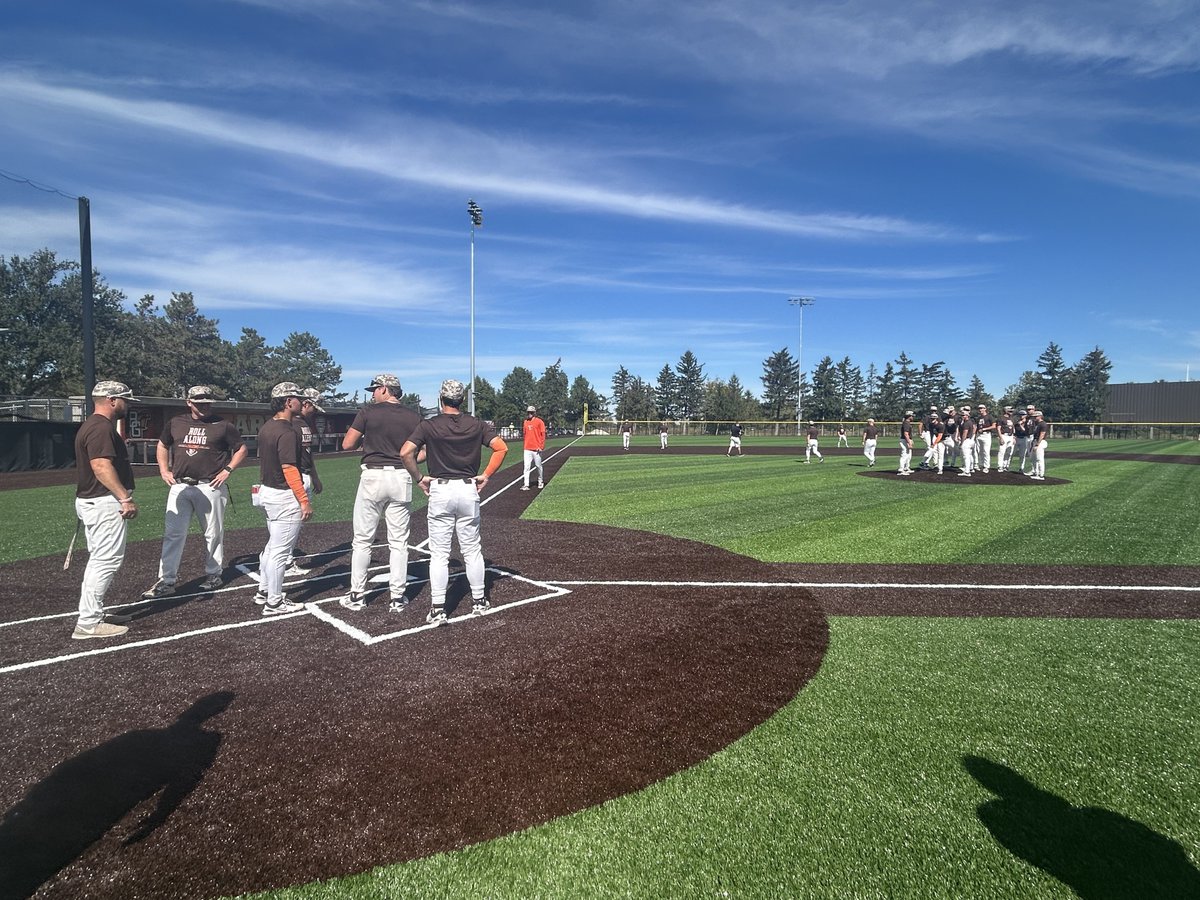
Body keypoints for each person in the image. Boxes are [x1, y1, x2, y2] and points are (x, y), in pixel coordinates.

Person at [401, 379, 508, 624]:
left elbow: (405, 453)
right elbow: (501, 448)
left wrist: (419, 479)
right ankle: (479, 600)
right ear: (461, 400)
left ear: (441, 399)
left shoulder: (429, 425)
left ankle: (438, 608)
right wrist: (486, 475)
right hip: (468, 489)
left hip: (441, 489)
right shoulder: (476, 424)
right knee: (472, 549)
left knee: (439, 554)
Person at [141, 385, 247, 599]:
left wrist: (227, 470)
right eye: (199, 403)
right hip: (180, 485)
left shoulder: (223, 425)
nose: (204, 406)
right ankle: (166, 580)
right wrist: (163, 470)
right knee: (173, 534)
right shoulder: (176, 422)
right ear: (189, 402)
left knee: (213, 533)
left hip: (210, 485)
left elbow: (241, 448)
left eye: (207, 402)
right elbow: (162, 445)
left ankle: (214, 574)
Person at [341, 373, 422, 613]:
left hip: (373, 476)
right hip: (401, 476)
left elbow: (347, 444)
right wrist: (407, 461)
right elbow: (424, 451)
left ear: (385, 388)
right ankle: (397, 597)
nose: (373, 394)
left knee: (362, 540)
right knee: (399, 542)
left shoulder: (368, 412)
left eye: (375, 389)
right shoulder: (413, 416)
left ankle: (357, 594)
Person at [71, 381, 140, 639]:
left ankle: (93, 614)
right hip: (103, 502)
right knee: (105, 561)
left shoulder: (94, 425)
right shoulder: (101, 428)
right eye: (125, 400)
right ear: (112, 400)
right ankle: (89, 622)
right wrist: (124, 497)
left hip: (94, 502)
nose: (127, 404)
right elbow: (101, 466)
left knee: (99, 560)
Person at [255, 382, 313, 615]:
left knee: (271, 547)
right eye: (297, 398)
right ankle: (274, 602)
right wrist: (304, 500)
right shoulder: (287, 431)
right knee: (279, 552)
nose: (301, 401)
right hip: (283, 495)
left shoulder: (267, 427)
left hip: (267, 491)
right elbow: (289, 468)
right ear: (288, 402)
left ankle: (264, 591)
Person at [283, 387, 326, 576]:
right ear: (306, 403)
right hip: (296, 477)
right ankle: (285, 562)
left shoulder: (304, 424)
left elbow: (308, 453)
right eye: (313, 408)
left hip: (306, 474)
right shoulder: (291, 424)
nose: (314, 412)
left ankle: (287, 559)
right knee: (290, 522)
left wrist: (315, 476)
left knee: (297, 523)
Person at [521, 405, 545, 490]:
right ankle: (526, 484)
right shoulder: (525, 422)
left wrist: (541, 446)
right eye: (528, 412)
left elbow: (543, 434)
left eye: (531, 412)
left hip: (537, 449)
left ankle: (540, 481)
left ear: (534, 413)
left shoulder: (539, 422)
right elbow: (524, 434)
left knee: (538, 466)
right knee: (526, 467)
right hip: (527, 448)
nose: (529, 414)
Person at [976, 404, 997, 474]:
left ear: (985, 409)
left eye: (982, 408)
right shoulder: (979, 418)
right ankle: (981, 464)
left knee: (986, 451)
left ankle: (986, 466)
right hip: (979, 435)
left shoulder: (989, 416)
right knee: (979, 451)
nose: (980, 409)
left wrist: (984, 429)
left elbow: (994, 426)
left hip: (986, 434)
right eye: (979, 408)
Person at [956, 405, 976, 477]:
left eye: (963, 415)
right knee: (969, 455)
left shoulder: (966, 423)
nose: (962, 416)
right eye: (962, 415)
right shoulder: (969, 422)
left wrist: (962, 442)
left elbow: (965, 433)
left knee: (966, 456)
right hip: (970, 440)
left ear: (967, 416)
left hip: (966, 441)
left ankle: (967, 471)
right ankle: (971, 468)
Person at [1030, 410, 1049, 480]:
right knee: (1034, 458)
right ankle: (1037, 473)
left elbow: (1042, 434)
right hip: (1036, 441)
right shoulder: (1037, 424)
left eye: (1036, 416)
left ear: (1040, 416)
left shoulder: (1043, 424)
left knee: (1039, 458)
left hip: (1040, 442)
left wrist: (1037, 444)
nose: (1034, 418)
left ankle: (1041, 475)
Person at [996, 406, 1017, 472]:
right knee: (1002, 451)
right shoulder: (1001, 418)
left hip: (1011, 436)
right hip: (1004, 435)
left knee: (1009, 452)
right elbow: (998, 428)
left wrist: (1014, 437)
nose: (1011, 412)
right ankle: (1000, 466)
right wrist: (1000, 437)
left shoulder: (1012, 418)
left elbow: (1013, 428)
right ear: (1005, 411)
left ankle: (1005, 466)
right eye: (1010, 411)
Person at [897, 411, 914, 475]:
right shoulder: (906, 423)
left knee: (909, 455)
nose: (912, 417)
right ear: (909, 416)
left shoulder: (907, 422)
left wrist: (910, 440)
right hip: (905, 440)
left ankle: (906, 468)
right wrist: (909, 442)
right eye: (912, 416)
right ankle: (901, 469)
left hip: (906, 439)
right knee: (904, 455)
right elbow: (906, 434)